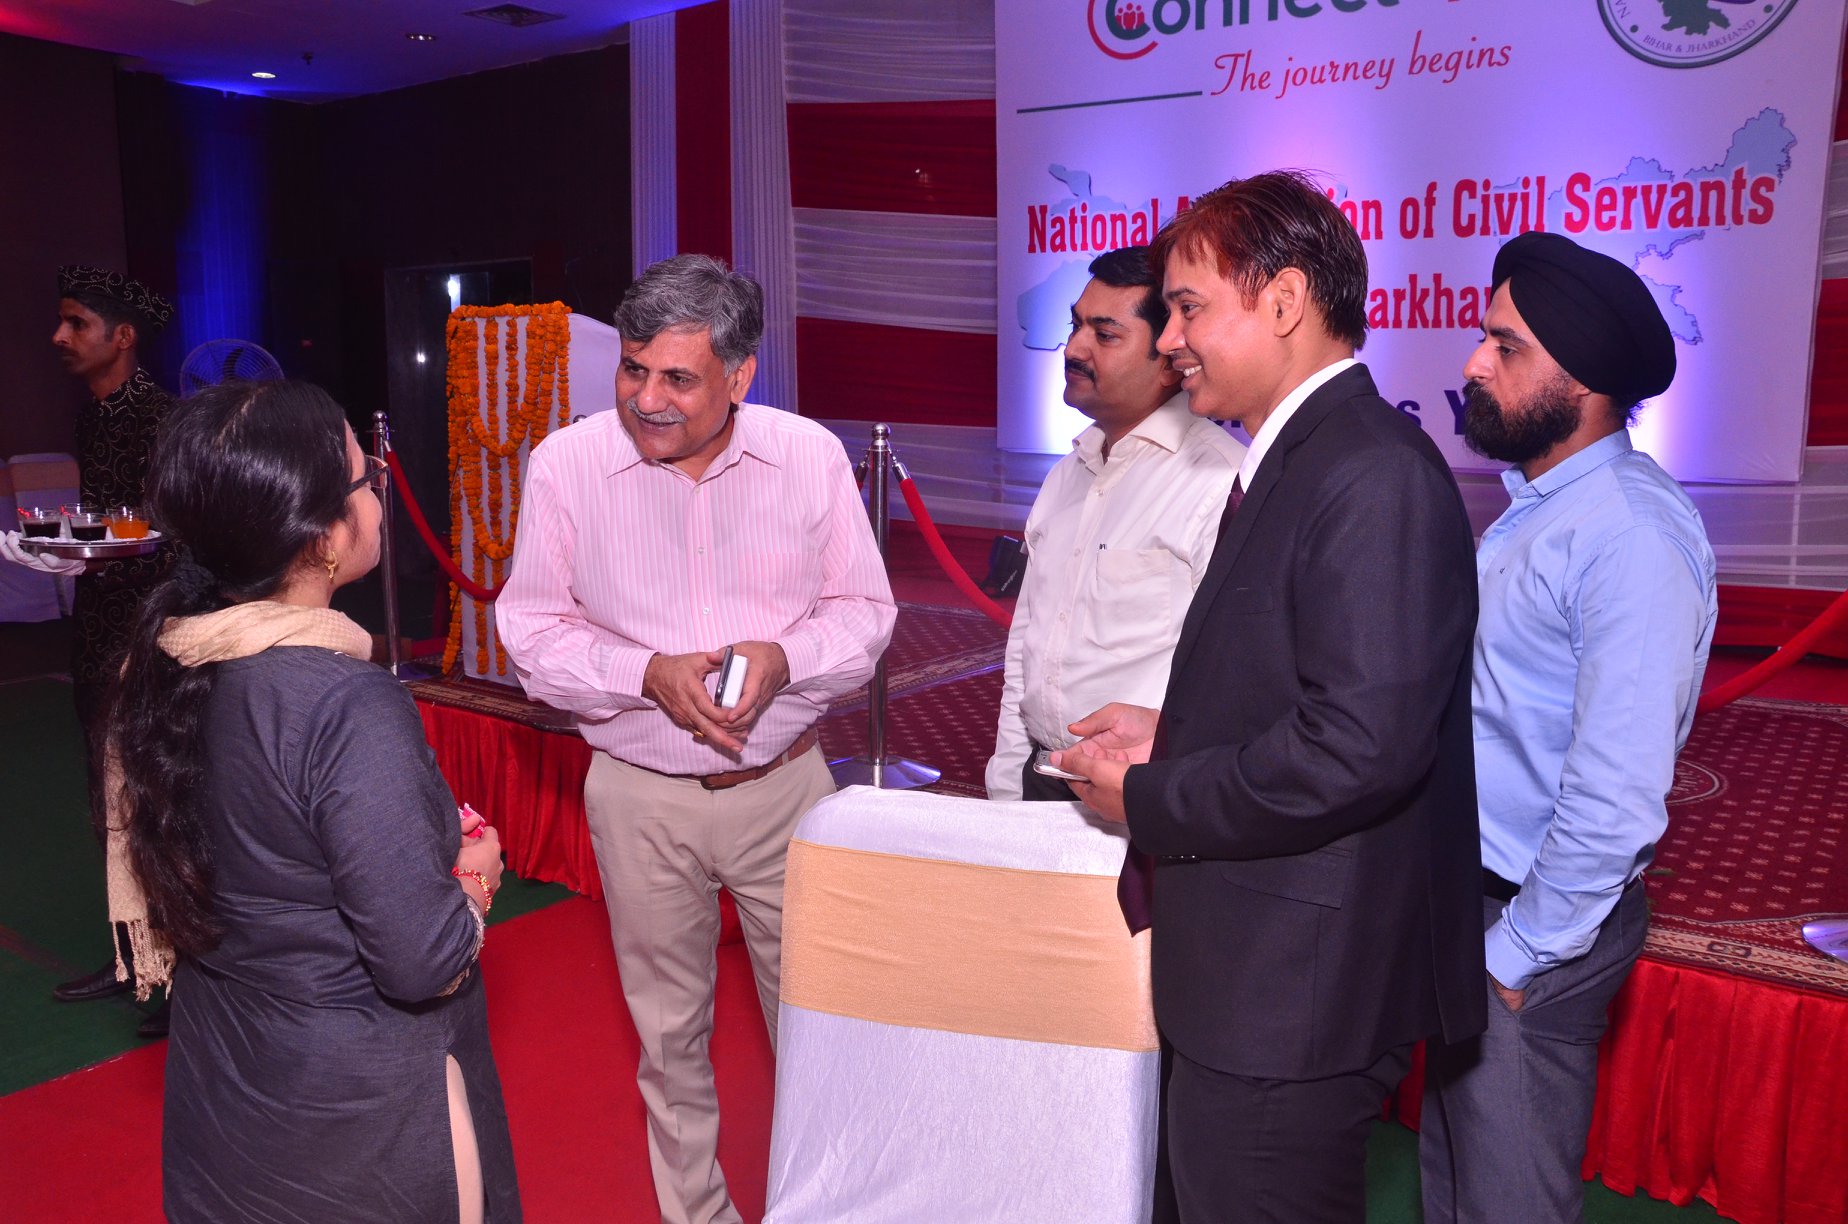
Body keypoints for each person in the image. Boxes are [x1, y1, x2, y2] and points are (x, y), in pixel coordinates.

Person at [1054, 171, 1485, 1222]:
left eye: (1189, 309)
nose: (1170, 342)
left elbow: (1359, 748)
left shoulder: (1371, 473)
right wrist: (1175, 730)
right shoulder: (1306, 456)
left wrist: (1151, 794)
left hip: (1293, 997)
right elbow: (1308, 688)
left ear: (1285, 302)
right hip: (1260, 980)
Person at [496, 254, 895, 1224]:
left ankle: (827, 1207)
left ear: (740, 375)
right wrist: (644, 673)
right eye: (634, 369)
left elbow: (865, 614)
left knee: (823, 1028)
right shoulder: (568, 466)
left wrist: (786, 658)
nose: (647, 399)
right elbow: (532, 635)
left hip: (787, 791)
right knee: (668, 1041)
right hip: (639, 796)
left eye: (677, 377)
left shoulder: (807, 457)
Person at [103, 379, 521, 1223]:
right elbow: (422, 960)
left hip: (227, 1087)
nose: (377, 495)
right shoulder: (341, 702)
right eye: (367, 479)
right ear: (324, 538)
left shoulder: (163, 664)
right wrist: (476, 873)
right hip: (356, 1121)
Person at [1419, 232, 1717, 1223]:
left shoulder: (1627, 534)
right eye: (1484, 336)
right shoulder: (1547, 505)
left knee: (1508, 1201)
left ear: (1582, 381)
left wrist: (1518, 956)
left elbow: (1617, 792)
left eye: (1505, 346)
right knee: (1458, 1187)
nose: (1474, 362)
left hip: (1535, 925)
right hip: (1484, 905)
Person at [985, 246, 1243, 803]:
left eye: (1104, 335)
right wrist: (1007, 783)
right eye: (1075, 325)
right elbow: (1026, 646)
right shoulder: (1068, 472)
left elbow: (1234, 682)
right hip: (1041, 774)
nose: (1073, 349)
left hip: (1138, 795)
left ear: (1170, 356)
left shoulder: (1220, 483)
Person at [0, 266, 178, 1029]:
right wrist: (70, 551)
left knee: (160, 807)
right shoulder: (92, 419)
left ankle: (185, 979)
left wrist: (105, 558)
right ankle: (130, 957)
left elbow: (174, 542)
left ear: (122, 336)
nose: (59, 337)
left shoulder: (163, 420)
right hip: (96, 635)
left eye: (76, 322)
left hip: (151, 639)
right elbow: (106, 529)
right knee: (107, 804)